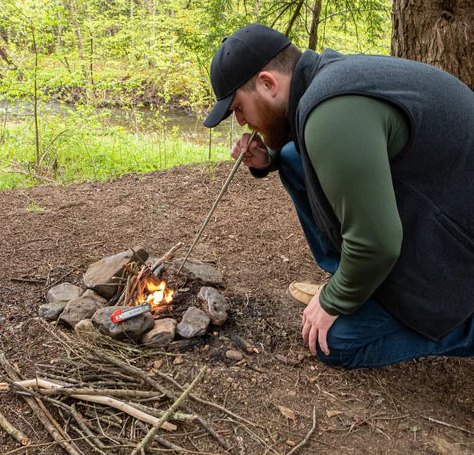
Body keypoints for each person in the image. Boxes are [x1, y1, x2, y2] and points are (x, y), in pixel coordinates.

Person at [203, 24, 474, 369]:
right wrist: (268, 159)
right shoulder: (326, 81)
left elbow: (377, 244)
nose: (242, 122)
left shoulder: (331, 115)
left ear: (268, 83)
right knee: (288, 157)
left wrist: (332, 301)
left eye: (239, 108)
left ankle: (465, 323)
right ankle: (358, 280)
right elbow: (321, 154)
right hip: (442, 203)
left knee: (333, 341)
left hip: (460, 243)